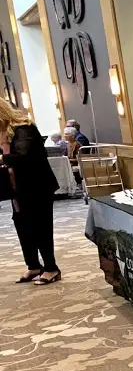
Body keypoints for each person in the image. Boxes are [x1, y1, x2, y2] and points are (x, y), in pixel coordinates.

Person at [1, 100, 60, 285]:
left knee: (40, 226)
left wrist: (3, 156)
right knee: (22, 225)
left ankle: (51, 268)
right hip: (17, 188)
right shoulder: (4, 132)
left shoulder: (23, 128)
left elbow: (23, 158)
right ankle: (33, 265)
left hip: (37, 187)